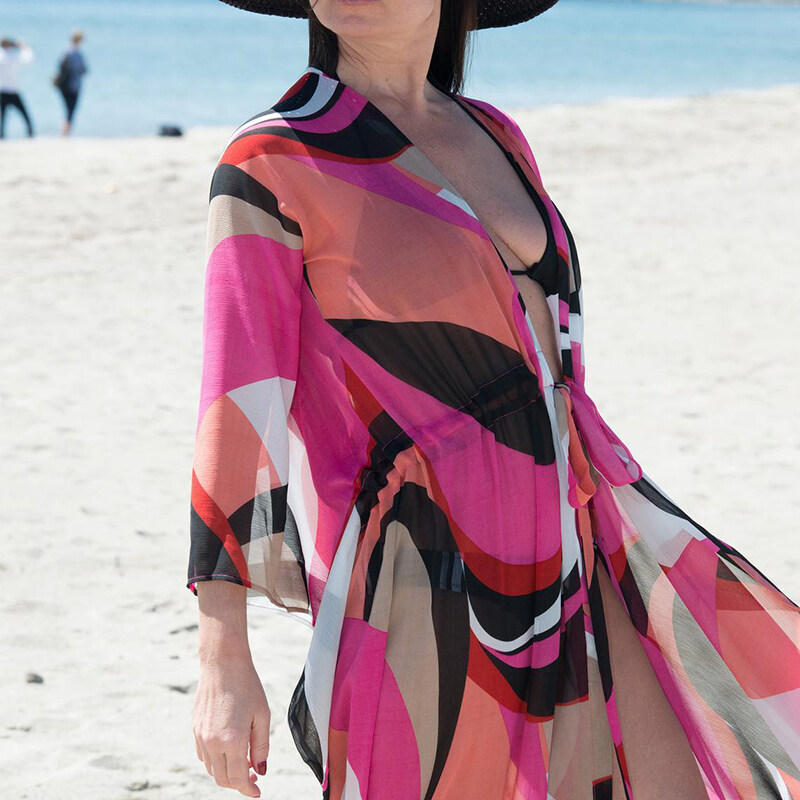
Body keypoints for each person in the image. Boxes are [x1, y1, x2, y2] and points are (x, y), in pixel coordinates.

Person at [187, 1, 800, 798]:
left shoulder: (497, 135)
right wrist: (222, 657)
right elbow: (238, 401)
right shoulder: (272, 160)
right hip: (420, 583)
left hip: (577, 534)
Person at [54, 30, 88, 136]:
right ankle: (65, 132)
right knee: (71, 109)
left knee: (68, 109)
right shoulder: (77, 54)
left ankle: (65, 132)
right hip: (73, 85)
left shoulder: (66, 52)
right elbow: (84, 70)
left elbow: (60, 68)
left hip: (64, 85)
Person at [0, 37, 34, 139]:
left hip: (2, 91)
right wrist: (23, 47)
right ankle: (30, 133)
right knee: (25, 115)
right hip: (12, 91)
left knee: (3, 117)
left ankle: (2, 135)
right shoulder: (13, 56)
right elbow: (29, 59)